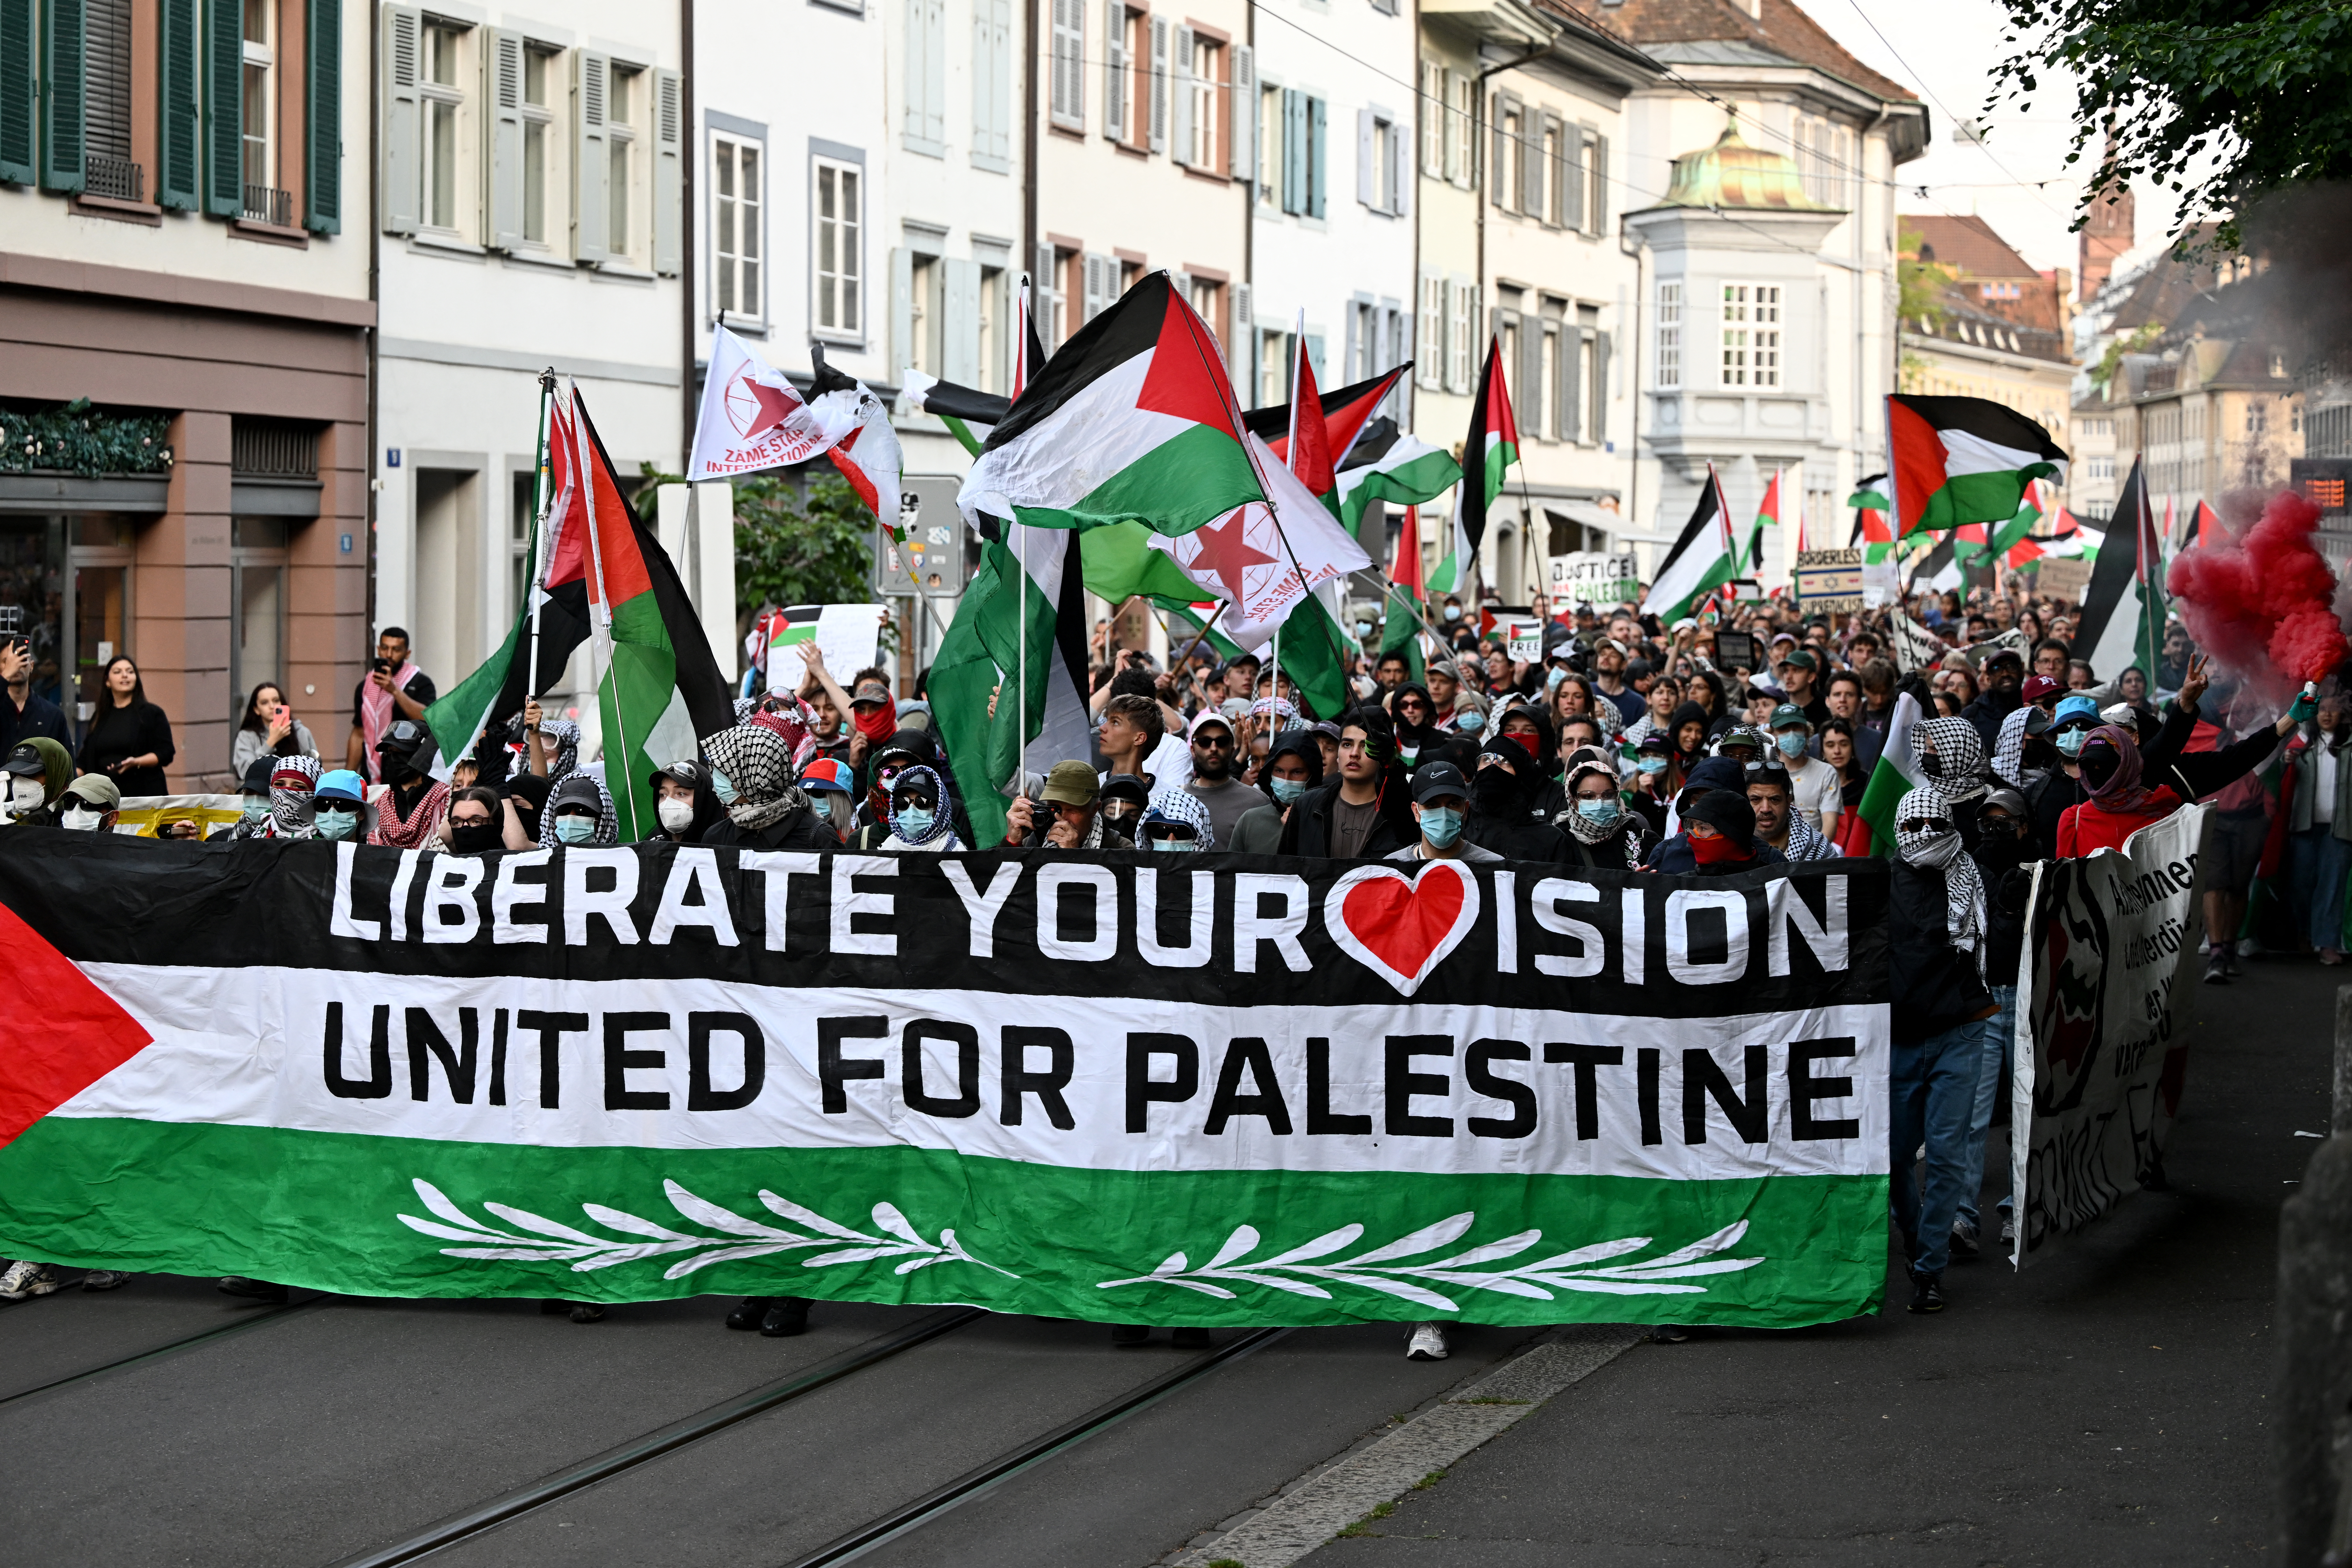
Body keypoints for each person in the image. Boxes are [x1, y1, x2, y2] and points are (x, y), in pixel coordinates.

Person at [1886, 786, 1997, 1313]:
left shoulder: (1973, 876)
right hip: (1899, 1037)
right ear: (1898, 830)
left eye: (1935, 822)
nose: (1924, 834)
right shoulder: (1879, 882)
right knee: (1895, 1158)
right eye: (1912, 826)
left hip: (1960, 1031)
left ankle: (1930, 1269)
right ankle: (1914, 1234)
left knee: (1949, 1156)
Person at [1955, 788, 2034, 1258]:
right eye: (1988, 823)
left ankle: (2018, 1210)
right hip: (1985, 1004)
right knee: (1971, 1117)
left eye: (2005, 824)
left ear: (2024, 827)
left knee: (2025, 1115)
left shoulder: (2045, 869)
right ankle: (1962, 1216)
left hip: (2028, 1002)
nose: (1995, 832)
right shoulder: (1969, 871)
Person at [1277, 709, 1413, 860]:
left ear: (1382, 755)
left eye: (1366, 746)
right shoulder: (1307, 804)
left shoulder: (1398, 811)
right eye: (1347, 745)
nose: (1354, 753)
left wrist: (1392, 766)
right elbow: (1286, 870)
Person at [702, 722, 840, 850]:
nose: (716, 782)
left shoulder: (818, 838)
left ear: (756, 776)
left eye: (723, 771)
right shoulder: (716, 837)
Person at [2055, 724, 2183, 859]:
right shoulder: (2074, 819)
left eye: (2105, 763)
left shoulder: (2160, 811)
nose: (2096, 769)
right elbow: (2065, 877)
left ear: (2127, 765)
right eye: (2088, 764)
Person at [2289, 694, 2352, 964]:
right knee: (2302, 884)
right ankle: (2304, 933)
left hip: (2340, 828)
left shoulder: (2350, 747)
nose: (2327, 715)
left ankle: (2327, 943)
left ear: (2344, 715)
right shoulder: (2302, 743)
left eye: (2334, 710)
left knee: (2332, 886)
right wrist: (2287, 760)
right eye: (2322, 710)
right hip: (2303, 826)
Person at [77, 655, 175, 798]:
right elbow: (85, 760)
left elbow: (166, 753)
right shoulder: (101, 716)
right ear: (107, 681)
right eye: (118, 672)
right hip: (105, 798)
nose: (125, 676)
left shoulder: (151, 713)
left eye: (130, 672)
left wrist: (136, 762)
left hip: (142, 796)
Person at [348, 628, 435, 778]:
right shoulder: (366, 686)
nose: (389, 655)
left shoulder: (421, 683)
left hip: (408, 770)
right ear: (378, 649)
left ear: (407, 654)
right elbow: (358, 734)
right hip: (371, 771)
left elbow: (429, 718)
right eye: (385, 648)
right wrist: (347, 775)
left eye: (396, 650)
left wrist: (395, 691)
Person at [1464, 738, 1569, 861]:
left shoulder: (1550, 839)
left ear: (1522, 774)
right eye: (1486, 759)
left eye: (1505, 761)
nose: (1493, 766)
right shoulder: (1457, 830)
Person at [1387, 761, 1501, 873]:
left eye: (1453, 804)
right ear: (1416, 812)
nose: (1444, 814)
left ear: (1466, 810)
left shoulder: (1496, 869)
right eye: (1432, 805)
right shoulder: (1392, 869)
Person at [1229, 729, 1321, 854]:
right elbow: (1232, 871)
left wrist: (1301, 829)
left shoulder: (1325, 821)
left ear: (1312, 774)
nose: (1286, 780)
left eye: (1297, 772)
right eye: (1279, 771)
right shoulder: (1250, 821)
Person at [368, 719, 451, 850]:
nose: (394, 759)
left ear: (424, 754)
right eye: (390, 753)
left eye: (401, 752)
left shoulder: (444, 801)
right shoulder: (380, 804)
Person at [1182, 711, 1258, 850]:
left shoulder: (1256, 802)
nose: (1213, 749)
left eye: (1222, 742)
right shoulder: (1176, 798)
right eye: (1204, 742)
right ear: (1193, 750)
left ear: (1232, 750)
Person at [1559, 757, 1652, 869]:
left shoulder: (1638, 835)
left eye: (1608, 796)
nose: (1599, 804)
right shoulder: (1560, 839)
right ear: (1573, 800)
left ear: (1617, 797)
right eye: (1588, 796)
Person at [1768, 705, 1841, 836]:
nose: (1791, 733)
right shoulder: (1765, 773)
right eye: (1784, 729)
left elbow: (1830, 825)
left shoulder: (1826, 773)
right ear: (1774, 735)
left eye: (1796, 727)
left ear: (1806, 732)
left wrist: (1815, 854)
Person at [1747, 760, 1838, 862]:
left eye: (1774, 800)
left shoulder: (1818, 848)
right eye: (1756, 800)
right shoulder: (1730, 843)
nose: (1766, 809)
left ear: (1789, 802)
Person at [0, 630, 70, 754]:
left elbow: (66, 766)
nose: (16, 666)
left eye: (22, 659)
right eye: (8, 661)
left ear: (32, 666)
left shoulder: (52, 715)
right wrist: (6, 676)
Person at [231, 682, 322, 776]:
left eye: (276, 701)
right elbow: (244, 773)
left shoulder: (301, 732)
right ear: (257, 710)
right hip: (262, 790)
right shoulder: (247, 736)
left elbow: (315, 771)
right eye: (265, 703)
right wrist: (271, 741)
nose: (272, 707)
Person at [878, 764, 969, 851]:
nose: (911, 809)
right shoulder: (888, 848)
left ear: (939, 809)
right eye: (903, 802)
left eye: (922, 801)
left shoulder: (955, 853)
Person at [1961, 648, 2025, 754]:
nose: (2005, 674)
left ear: (2022, 672)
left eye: (2012, 667)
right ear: (1988, 679)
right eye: (1997, 669)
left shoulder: (2036, 708)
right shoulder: (1972, 715)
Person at [1097, 692, 1164, 787]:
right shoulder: (1090, 787)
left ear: (1139, 739)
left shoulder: (1170, 798)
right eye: (1107, 721)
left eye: (1115, 722)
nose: (1102, 728)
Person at [2, 736, 72, 826]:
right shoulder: (7, 817)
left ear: (57, 774)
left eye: (30, 775)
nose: (18, 784)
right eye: (15, 775)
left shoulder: (79, 822)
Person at [648, 760, 722, 844]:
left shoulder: (729, 850)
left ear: (705, 800)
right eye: (663, 795)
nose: (668, 803)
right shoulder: (649, 852)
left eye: (681, 794)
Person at [1138, 789, 1214, 852]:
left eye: (1182, 833)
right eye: (1161, 832)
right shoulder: (1134, 869)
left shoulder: (1218, 870)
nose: (1171, 841)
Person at [440, 787, 505, 856]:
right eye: (457, 822)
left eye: (476, 821)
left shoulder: (512, 865)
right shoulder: (442, 865)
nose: (465, 831)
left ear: (496, 824)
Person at [1775, 648, 1830, 728]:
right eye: (1786, 671)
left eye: (1796, 671)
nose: (1789, 677)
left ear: (1811, 677)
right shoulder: (1779, 703)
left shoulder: (1824, 709)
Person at [54, 773, 122, 833]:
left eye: (89, 804)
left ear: (113, 818)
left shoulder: (121, 847)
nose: (76, 812)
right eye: (71, 803)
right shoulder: (50, 845)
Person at [1097, 772, 1151, 839]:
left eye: (1133, 814)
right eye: (1113, 813)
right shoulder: (1086, 846)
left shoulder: (1152, 846)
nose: (1122, 822)